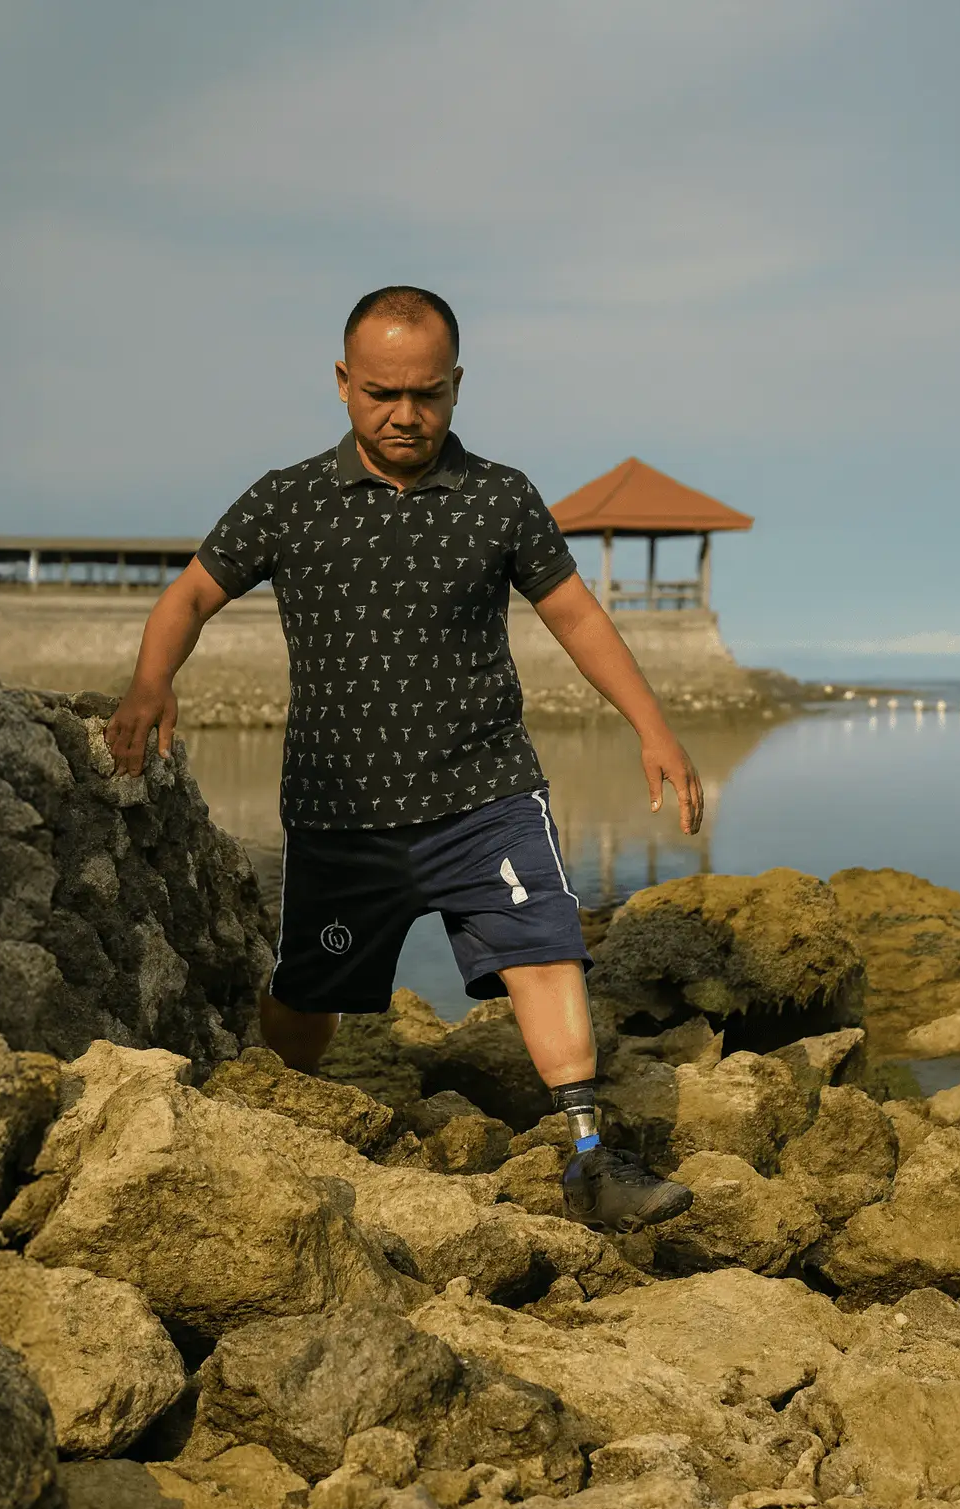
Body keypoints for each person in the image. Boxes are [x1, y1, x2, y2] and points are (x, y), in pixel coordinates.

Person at [106, 286, 702, 1232]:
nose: (404, 415)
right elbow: (188, 598)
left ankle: (591, 1159)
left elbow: (577, 616)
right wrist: (151, 682)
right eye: (383, 392)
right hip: (342, 815)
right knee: (309, 991)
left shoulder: (501, 499)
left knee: (548, 950)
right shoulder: (287, 498)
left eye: (426, 394)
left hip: (485, 795)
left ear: (457, 387)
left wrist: (653, 726)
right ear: (344, 384)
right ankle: (275, 1129)